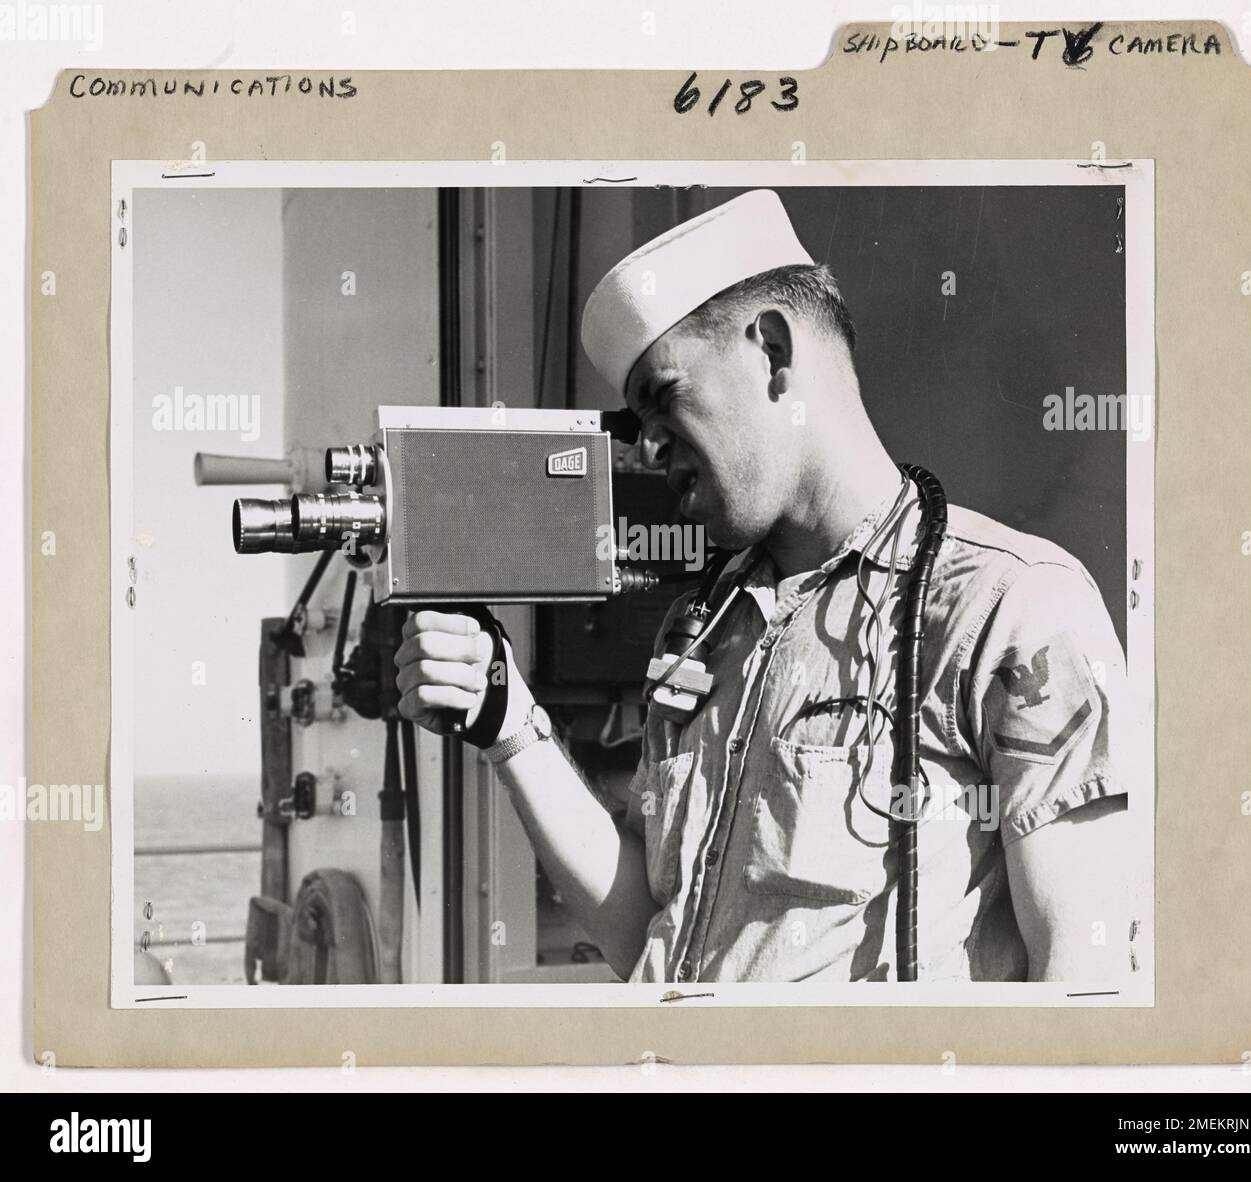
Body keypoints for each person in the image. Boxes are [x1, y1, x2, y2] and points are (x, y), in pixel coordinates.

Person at [395, 189, 1135, 984]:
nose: (646, 450)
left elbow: (1085, 981)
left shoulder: (1009, 608)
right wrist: (513, 724)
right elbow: (655, 935)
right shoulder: (704, 627)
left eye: (664, 398)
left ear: (773, 352)